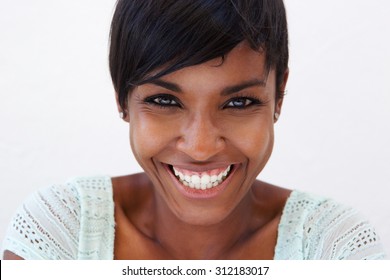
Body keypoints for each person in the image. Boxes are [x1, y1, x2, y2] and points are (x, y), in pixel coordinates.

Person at [1, 0, 386, 260]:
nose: (201, 147)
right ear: (122, 98)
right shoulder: (61, 229)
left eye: (238, 102)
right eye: (165, 101)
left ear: (279, 95)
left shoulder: (334, 246)